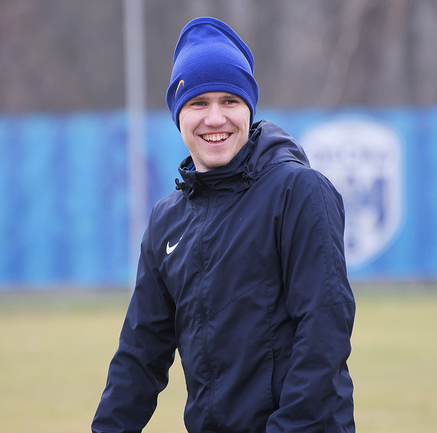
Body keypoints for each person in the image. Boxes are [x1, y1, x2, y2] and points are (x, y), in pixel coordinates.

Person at [92, 17, 355, 433]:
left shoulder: (299, 192)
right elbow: (140, 355)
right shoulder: (166, 221)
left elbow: (324, 332)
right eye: (198, 103)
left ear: (249, 108)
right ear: (178, 114)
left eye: (229, 101)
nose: (215, 118)